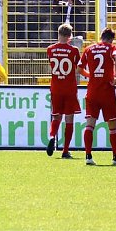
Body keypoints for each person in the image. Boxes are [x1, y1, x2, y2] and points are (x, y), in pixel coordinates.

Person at [79, 27, 116, 165]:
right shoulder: (112, 48)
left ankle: (88, 156)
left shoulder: (89, 49)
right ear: (111, 39)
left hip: (92, 91)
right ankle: (115, 157)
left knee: (89, 124)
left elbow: (79, 68)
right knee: (112, 126)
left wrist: (90, 75)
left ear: (101, 36)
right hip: (107, 91)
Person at [46, 23, 81, 159]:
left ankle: (52, 136)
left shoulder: (50, 49)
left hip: (56, 87)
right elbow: (78, 67)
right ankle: (65, 150)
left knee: (56, 116)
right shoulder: (74, 50)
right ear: (70, 36)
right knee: (69, 119)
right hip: (69, 88)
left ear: (58, 33)